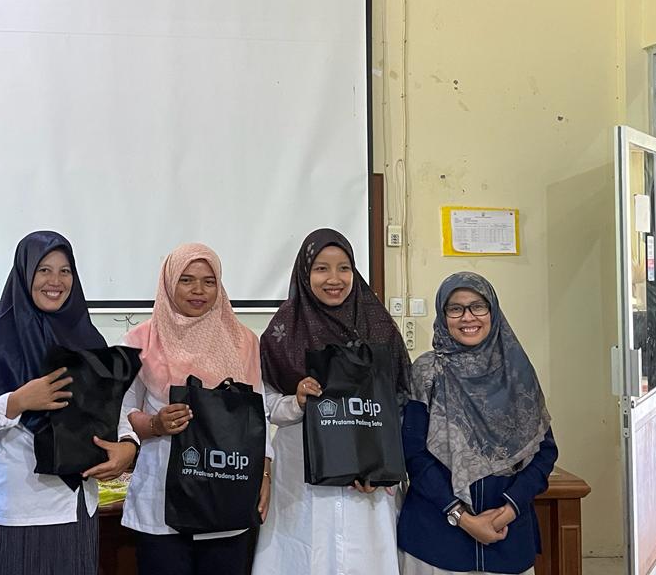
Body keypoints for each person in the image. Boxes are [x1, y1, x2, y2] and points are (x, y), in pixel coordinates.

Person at [0, 231, 137, 575]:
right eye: (44, 270)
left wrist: (128, 444)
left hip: (80, 505)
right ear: (24, 274)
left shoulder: (88, 338)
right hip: (20, 507)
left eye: (65, 271)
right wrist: (17, 401)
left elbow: (114, 407)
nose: (56, 281)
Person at [253, 228, 411, 575]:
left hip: (367, 482)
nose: (334, 279)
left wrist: (383, 469)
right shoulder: (283, 332)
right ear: (304, 273)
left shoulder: (379, 327)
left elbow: (399, 403)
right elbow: (267, 404)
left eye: (344, 268)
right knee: (302, 558)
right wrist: (297, 401)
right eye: (321, 268)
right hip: (302, 474)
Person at [121, 243, 271, 575]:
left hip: (227, 490)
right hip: (161, 500)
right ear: (169, 282)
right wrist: (155, 425)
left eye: (209, 281)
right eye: (186, 280)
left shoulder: (244, 341)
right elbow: (122, 411)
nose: (198, 290)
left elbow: (257, 413)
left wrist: (264, 473)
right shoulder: (140, 340)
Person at [397, 272, 557, 575]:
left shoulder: (517, 373)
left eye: (478, 306)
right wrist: (462, 517)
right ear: (443, 314)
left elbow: (544, 452)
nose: (468, 317)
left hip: (507, 538)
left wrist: (509, 509)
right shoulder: (428, 372)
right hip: (435, 541)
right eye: (455, 308)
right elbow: (413, 454)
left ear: (493, 311)